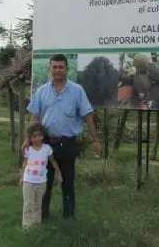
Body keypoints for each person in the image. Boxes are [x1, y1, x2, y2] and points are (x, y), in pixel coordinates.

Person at [24, 53, 103, 220]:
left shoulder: (77, 91)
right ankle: (41, 216)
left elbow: (87, 115)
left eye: (61, 67)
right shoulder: (41, 91)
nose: (58, 70)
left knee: (68, 182)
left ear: (67, 69)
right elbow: (35, 117)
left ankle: (68, 217)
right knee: (43, 181)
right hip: (44, 144)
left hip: (67, 144)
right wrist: (27, 140)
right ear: (50, 69)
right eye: (55, 67)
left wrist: (96, 140)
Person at [20, 122, 62, 229]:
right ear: (30, 138)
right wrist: (21, 177)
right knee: (28, 204)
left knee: (38, 205)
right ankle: (26, 226)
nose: (37, 138)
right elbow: (24, 163)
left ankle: (36, 225)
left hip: (41, 182)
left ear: (43, 136)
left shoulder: (47, 148)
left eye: (39, 135)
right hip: (28, 181)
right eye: (34, 136)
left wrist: (59, 174)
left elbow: (52, 161)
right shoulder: (28, 149)